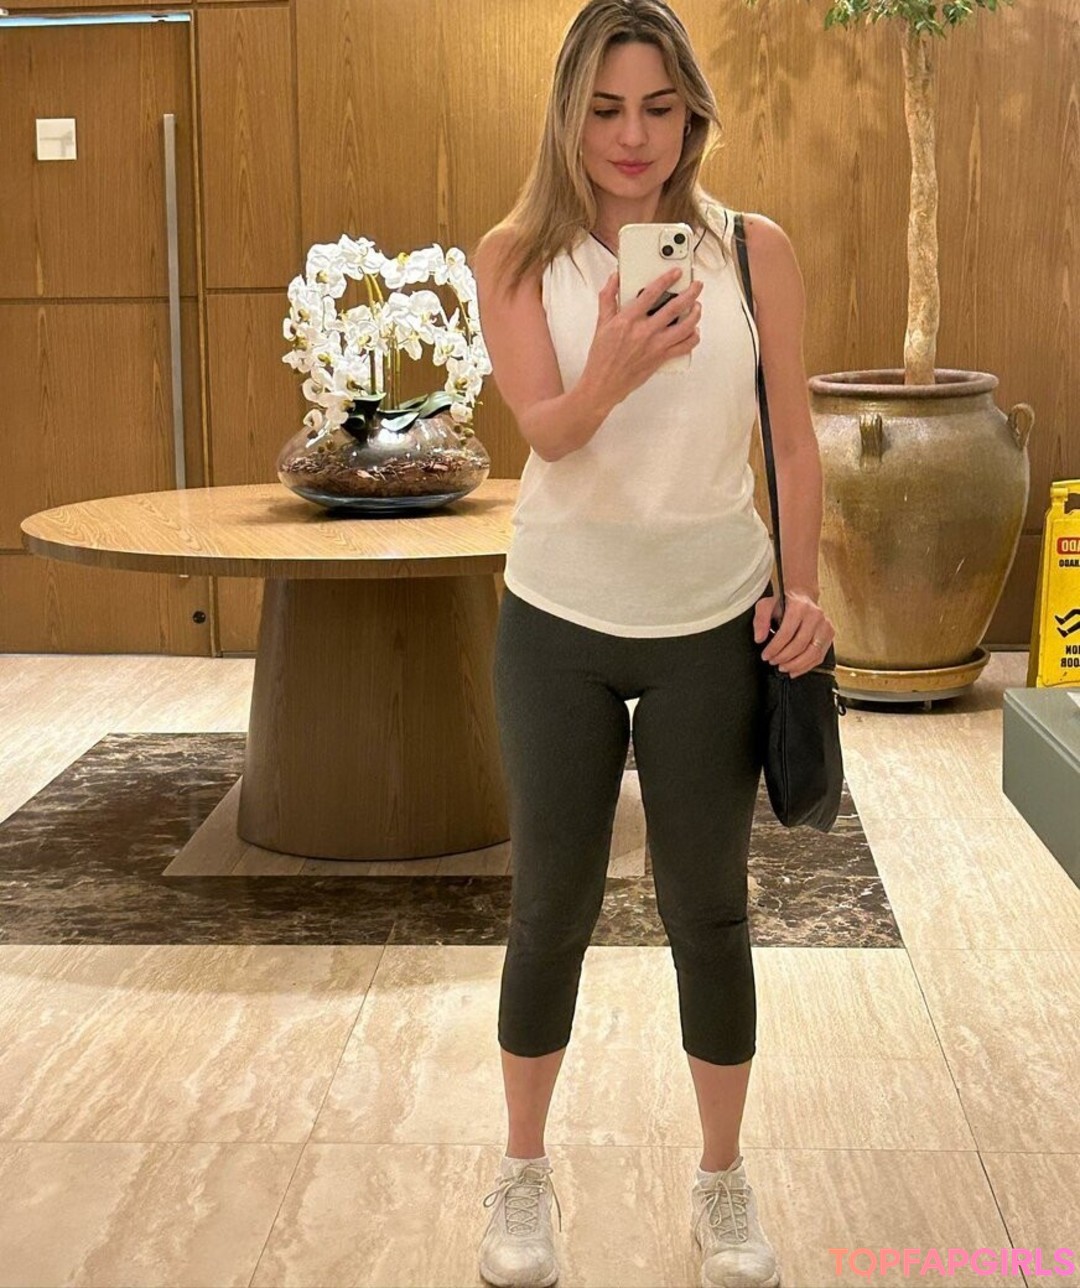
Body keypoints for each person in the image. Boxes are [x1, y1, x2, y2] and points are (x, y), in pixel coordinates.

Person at [472, 2, 834, 1284]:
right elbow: (548, 432)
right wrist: (617, 363)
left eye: (660, 108)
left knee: (710, 909)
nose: (633, 137)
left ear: (693, 115)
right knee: (549, 909)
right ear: (568, 114)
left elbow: (792, 439)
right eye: (606, 108)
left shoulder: (752, 249)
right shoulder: (513, 256)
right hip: (557, 620)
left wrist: (805, 590)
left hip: (712, 623)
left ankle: (722, 1180)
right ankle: (522, 1175)